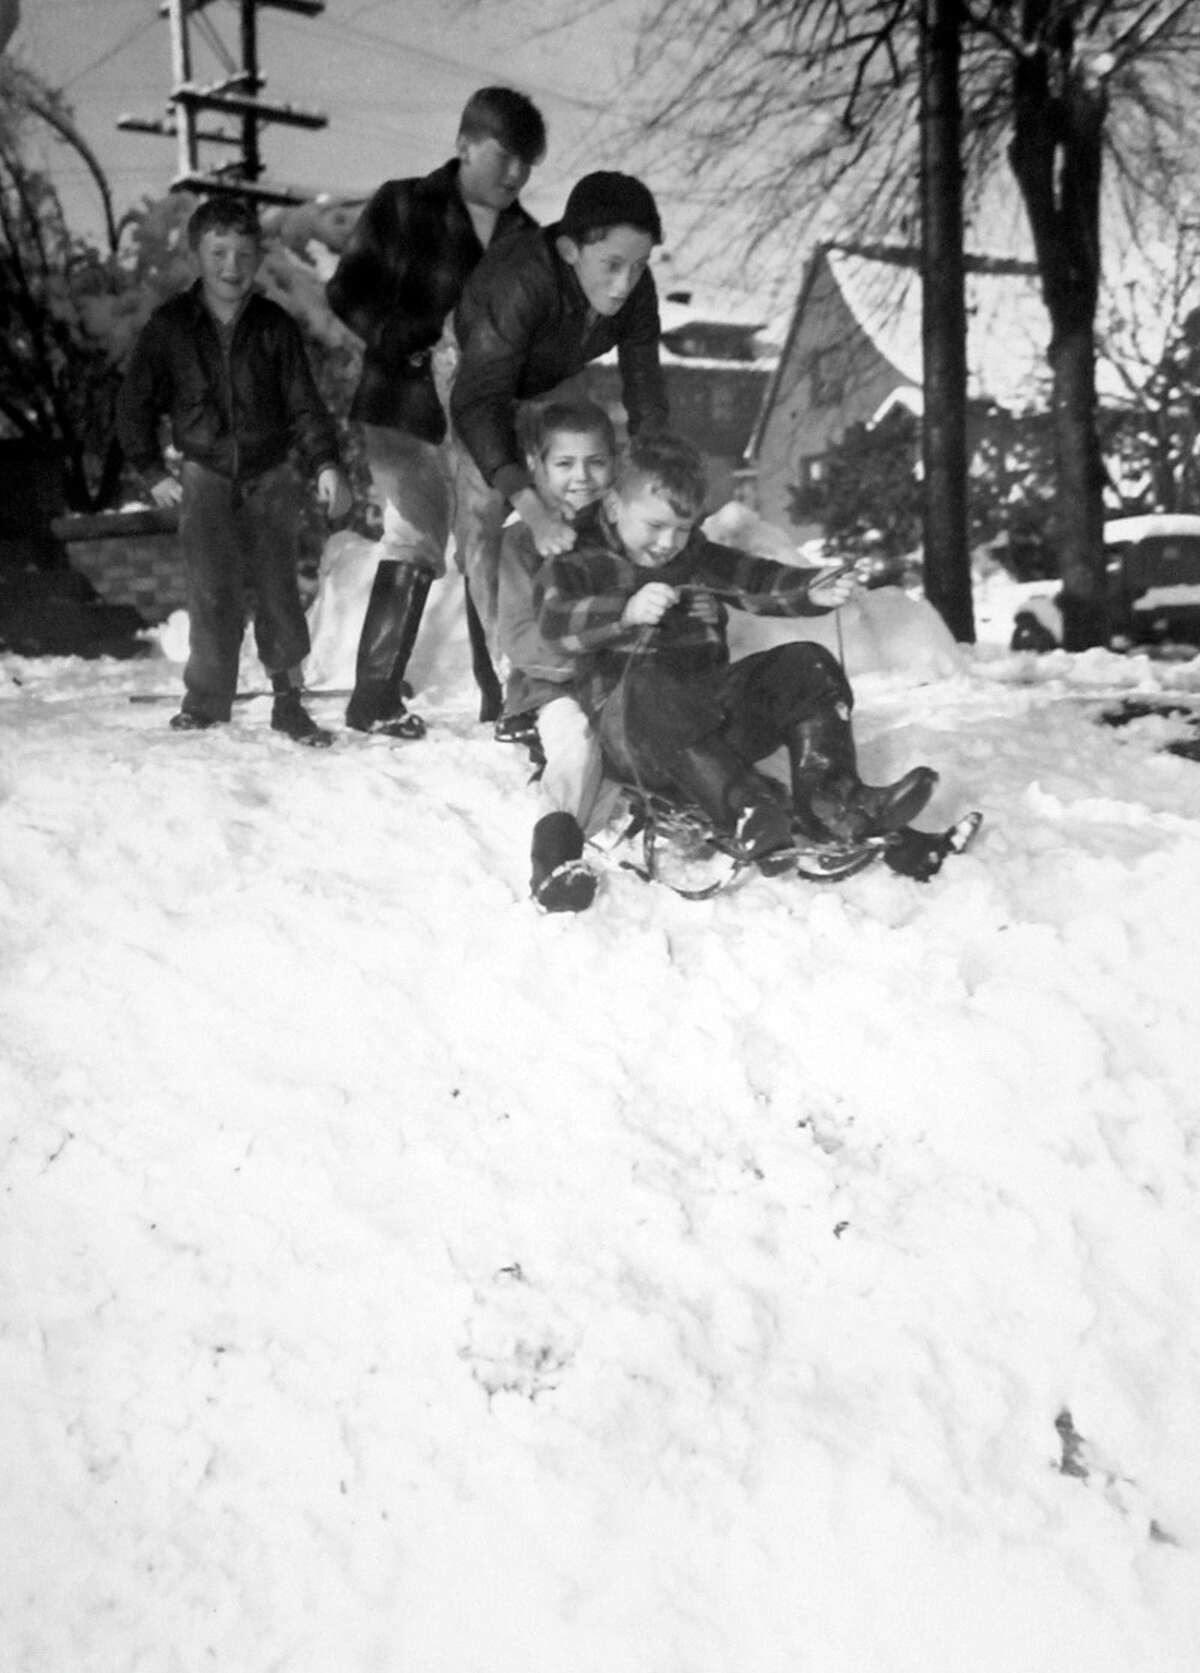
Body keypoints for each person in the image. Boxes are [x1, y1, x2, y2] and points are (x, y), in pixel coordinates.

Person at [536, 431, 947, 873]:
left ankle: (835, 801)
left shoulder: (693, 557)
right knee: (649, 683)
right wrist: (625, 609)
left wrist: (811, 589)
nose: (669, 542)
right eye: (655, 526)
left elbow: (755, 580)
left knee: (806, 664)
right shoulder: (577, 561)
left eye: (683, 528)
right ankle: (748, 809)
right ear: (614, 507)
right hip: (635, 737)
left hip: (712, 721)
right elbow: (556, 623)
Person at [326, 86, 546, 736]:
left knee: (484, 540)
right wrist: (393, 333)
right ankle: (374, 698)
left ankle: (507, 701)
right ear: (464, 144)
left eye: (527, 163)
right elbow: (347, 289)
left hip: (481, 414)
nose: (515, 174)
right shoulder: (403, 204)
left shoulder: (529, 240)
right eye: (504, 155)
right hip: (406, 403)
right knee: (416, 533)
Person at [117, 194, 352, 746]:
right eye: (218, 252)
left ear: (258, 256)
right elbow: (134, 403)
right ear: (197, 254)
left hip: (271, 476)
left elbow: (303, 403)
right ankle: (206, 700)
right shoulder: (171, 326)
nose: (231, 266)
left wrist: (325, 462)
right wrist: (152, 471)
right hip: (203, 476)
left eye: (244, 253)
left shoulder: (274, 326)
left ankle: (288, 699)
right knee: (211, 591)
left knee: (278, 591)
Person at [451, 170, 670, 690]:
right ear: (570, 250)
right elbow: (479, 400)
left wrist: (655, 472)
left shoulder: (636, 287)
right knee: (487, 512)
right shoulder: (521, 282)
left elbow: (643, 381)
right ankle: (505, 678)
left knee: (584, 491)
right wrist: (526, 500)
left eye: (638, 266)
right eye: (611, 265)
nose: (624, 284)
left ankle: (589, 647)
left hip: (551, 375)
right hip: (476, 371)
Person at [496, 398, 624, 912]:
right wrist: (588, 654)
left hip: (621, 676)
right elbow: (519, 637)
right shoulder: (521, 541)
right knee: (577, 740)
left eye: (596, 462)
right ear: (536, 467)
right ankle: (554, 854)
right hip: (556, 683)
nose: (582, 478)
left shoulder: (624, 530)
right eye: (565, 464)